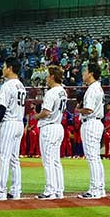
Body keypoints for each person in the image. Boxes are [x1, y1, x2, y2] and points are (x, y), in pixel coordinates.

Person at [0, 57, 25, 201]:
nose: (3, 69)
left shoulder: (7, 85)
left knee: (4, 158)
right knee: (14, 159)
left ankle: (1, 191)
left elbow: (2, 108)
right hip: (19, 123)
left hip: (9, 123)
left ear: (10, 68)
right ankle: (16, 190)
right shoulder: (21, 85)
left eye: (5, 66)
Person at [34, 65, 68, 200]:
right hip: (58, 126)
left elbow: (46, 112)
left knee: (48, 161)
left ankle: (50, 190)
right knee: (55, 161)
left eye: (48, 76)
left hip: (49, 127)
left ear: (53, 76)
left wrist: (35, 117)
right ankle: (59, 190)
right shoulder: (63, 91)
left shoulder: (51, 92)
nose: (46, 78)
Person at [76, 63, 105, 199]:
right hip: (96, 122)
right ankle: (99, 187)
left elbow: (89, 110)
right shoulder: (96, 87)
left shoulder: (93, 89)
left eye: (85, 71)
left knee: (92, 157)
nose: (83, 73)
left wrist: (78, 110)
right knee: (95, 157)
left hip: (91, 122)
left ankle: (94, 189)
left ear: (91, 73)